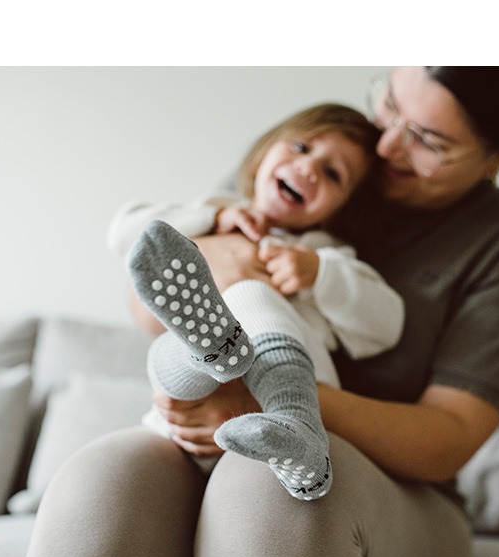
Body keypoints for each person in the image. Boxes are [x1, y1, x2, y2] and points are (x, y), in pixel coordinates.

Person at [26, 66, 499, 557]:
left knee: (266, 490)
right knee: (98, 484)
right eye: (390, 103)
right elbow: (146, 297)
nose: (385, 144)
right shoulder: (314, 155)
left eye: (428, 139)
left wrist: (264, 396)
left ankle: (287, 422)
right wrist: (220, 253)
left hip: (404, 490)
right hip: (208, 427)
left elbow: (446, 440)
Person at [118, 105, 405, 501]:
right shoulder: (215, 211)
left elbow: (386, 325)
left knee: (249, 293)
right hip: (183, 418)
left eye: (332, 173)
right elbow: (128, 234)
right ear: (266, 149)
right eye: (301, 147)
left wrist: (319, 272)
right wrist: (212, 219)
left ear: (344, 209)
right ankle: (212, 352)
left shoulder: (325, 253)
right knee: (180, 341)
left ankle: (294, 421)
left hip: (280, 402)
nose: (308, 168)